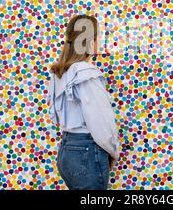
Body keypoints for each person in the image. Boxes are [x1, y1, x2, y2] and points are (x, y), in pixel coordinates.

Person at [48, 14, 119, 190]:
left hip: (66, 151)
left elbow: (55, 114)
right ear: (90, 41)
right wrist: (113, 151)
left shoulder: (61, 72)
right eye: (98, 36)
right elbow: (101, 121)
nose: (100, 41)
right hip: (87, 151)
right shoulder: (87, 73)